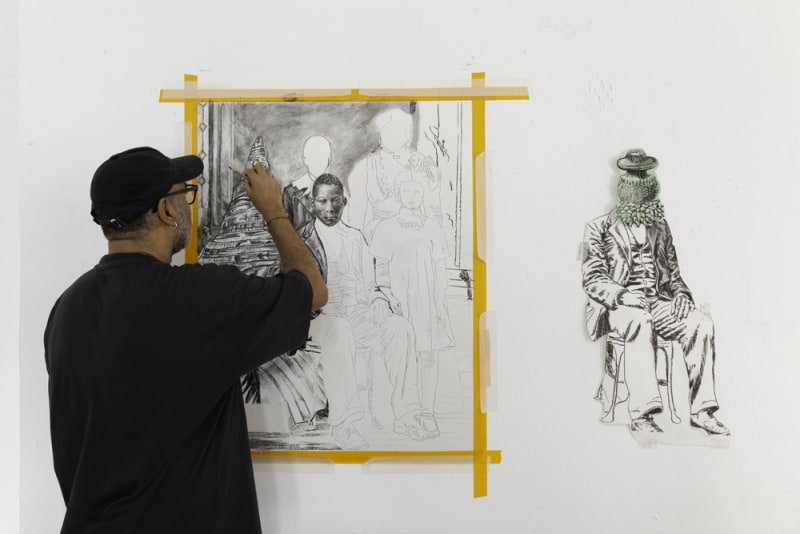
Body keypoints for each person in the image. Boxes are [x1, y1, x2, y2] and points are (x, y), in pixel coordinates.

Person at [44, 147, 327, 534]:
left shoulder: (66, 309)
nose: (187, 206)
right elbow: (312, 290)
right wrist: (274, 210)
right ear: (165, 210)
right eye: (185, 194)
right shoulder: (201, 297)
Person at [582, 148, 729, 436]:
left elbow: (674, 274)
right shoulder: (598, 228)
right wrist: (623, 296)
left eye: (645, 181)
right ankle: (642, 414)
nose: (640, 187)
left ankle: (702, 411)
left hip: (659, 302)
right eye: (634, 181)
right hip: (619, 307)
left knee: (701, 322)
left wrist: (683, 296)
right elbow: (593, 278)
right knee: (639, 321)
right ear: (623, 188)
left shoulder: (659, 226)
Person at [310, 173, 435, 441]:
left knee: (400, 328)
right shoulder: (303, 240)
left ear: (344, 201)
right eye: (322, 201)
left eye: (335, 201)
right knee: (340, 330)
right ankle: (344, 424)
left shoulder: (355, 238)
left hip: (357, 313)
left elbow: (371, 282)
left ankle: (406, 416)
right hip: (319, 317)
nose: (329, 208)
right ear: (313, 203)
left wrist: (379, 299)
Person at [370, 180, 455, 436]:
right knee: (404, 357)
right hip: (400, 299)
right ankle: (402, 413)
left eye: (416, 191)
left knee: (429, 356)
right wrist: (388, 295)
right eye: (406, 190)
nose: (411, 196)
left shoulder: (432, 227)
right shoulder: (385, 227)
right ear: (398, 193)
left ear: (423, 195)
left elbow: (439, 267)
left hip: (427, 300)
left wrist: (440, 301)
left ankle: (427, 412)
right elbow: (380, 266)